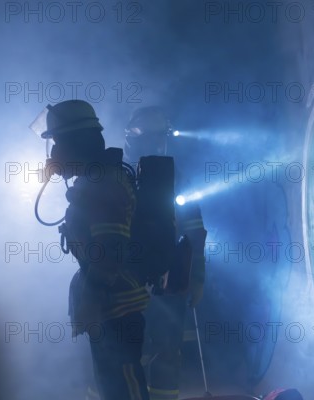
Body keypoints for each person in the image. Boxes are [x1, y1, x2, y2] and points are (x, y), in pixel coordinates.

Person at [32, 100, 150, 400]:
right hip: (109, 305)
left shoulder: (103, 183)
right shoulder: (93, 181)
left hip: (117, 305)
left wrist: (90, 300)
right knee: (112, 387)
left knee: (125, 384)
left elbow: (110, 252)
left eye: (57, 144)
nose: (54, 154)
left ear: (76, 143)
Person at [123, 106, 207, 400]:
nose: (157, 143)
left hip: (166, 281)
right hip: (126, 281)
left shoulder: (176, 178)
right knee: (122, 356)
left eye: (160, 136)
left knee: (166, 353)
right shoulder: (118, 177)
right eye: (152, 136)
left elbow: (194, 230)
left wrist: (196, 276)